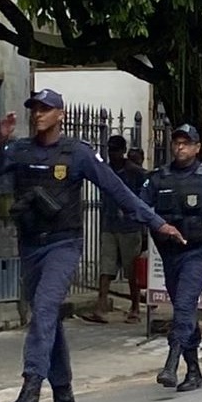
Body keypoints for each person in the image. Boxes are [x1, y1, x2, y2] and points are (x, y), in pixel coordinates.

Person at [0, 89, 184, 402]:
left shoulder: (77, 153)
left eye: (46, 109)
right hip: (30, 245)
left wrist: (157, 223)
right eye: (35, 108)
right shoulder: (20, 149)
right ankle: (64, 397)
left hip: (63, 244)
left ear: (60, 114)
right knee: (47, 317)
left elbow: (118, 190)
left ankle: (31, 389)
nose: (38, 114)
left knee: (44, 309)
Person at [141, 125, 202, 392]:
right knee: (184, 311)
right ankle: (194, 371)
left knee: (184, 305)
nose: (180, 147)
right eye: (177, 142)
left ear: (197, 147)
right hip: (169, 254)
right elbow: (140, 208)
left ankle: (171, 363)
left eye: (186, 143)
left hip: (197, 252)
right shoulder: (159, 178)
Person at [87, 135, 147, 324]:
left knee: (131, 271)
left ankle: (135, 308)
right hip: (109, 224)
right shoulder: (106, 170)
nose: (112, 154)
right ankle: (100, 306)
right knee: (106, 267)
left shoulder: (135, 172)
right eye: (110, 150)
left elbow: (145, 196)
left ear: (122, 151)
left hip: (130, 227)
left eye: (116, 150)